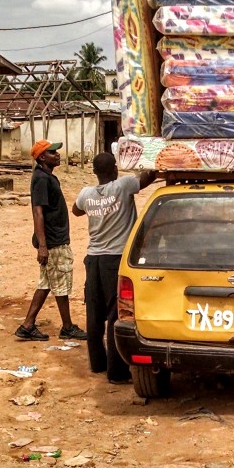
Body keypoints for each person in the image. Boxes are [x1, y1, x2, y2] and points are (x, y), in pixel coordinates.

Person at [72, 153, 156, 384]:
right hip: (116, 259)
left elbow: (76, 210)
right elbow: (150, 176)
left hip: (93, 258)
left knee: (94, 312)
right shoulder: (124, 185)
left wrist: (96, 208)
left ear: (95, 172)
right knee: (115, 313)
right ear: (115, 169)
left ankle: (97, 363)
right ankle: (117, 371)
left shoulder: (86, 194)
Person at [15, 140, 87, 342]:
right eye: (52, 152)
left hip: (53, 239)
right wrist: (43, 246)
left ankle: (28, 325)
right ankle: (67, 326)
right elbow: (38, 212)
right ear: (42, 157)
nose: (57, 155)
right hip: (54, 241)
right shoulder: (41, 179)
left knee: (46, 282)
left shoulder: (46, 177)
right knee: (61, 283)